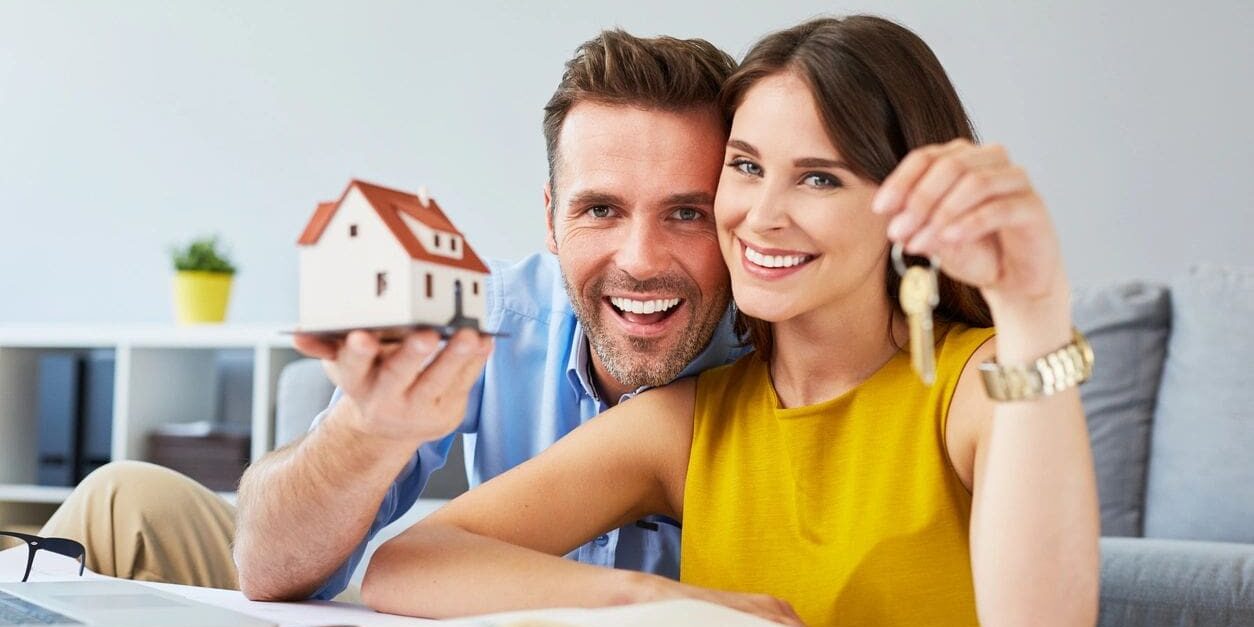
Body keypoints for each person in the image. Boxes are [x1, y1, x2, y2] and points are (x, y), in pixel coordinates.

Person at [360, 15, 1101, 627]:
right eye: (745, 166)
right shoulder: (687, 423)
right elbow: (410, 565)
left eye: (819, 177)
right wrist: (661, 601)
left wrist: (1035, 307)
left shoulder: (974, 386)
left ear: (904, 205)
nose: (761, 216)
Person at [37, 29, 751, 600]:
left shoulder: (777, 353)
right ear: (550, 218)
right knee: (121, 496)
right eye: (601, 209)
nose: (640, 258)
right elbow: (273, 566)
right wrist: (368, 430)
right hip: (416, 594)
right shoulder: (492, 311)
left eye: (686, 213)